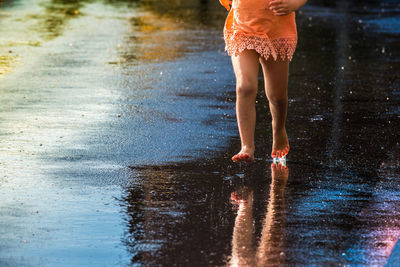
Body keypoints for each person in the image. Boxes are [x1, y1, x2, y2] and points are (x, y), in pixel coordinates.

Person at [219, 0, 307, 162]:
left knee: (277, 97)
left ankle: (278, 128)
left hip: (277, 29)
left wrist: (294, 4)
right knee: (245, 87)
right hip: (242, 27)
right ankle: (247, 146)